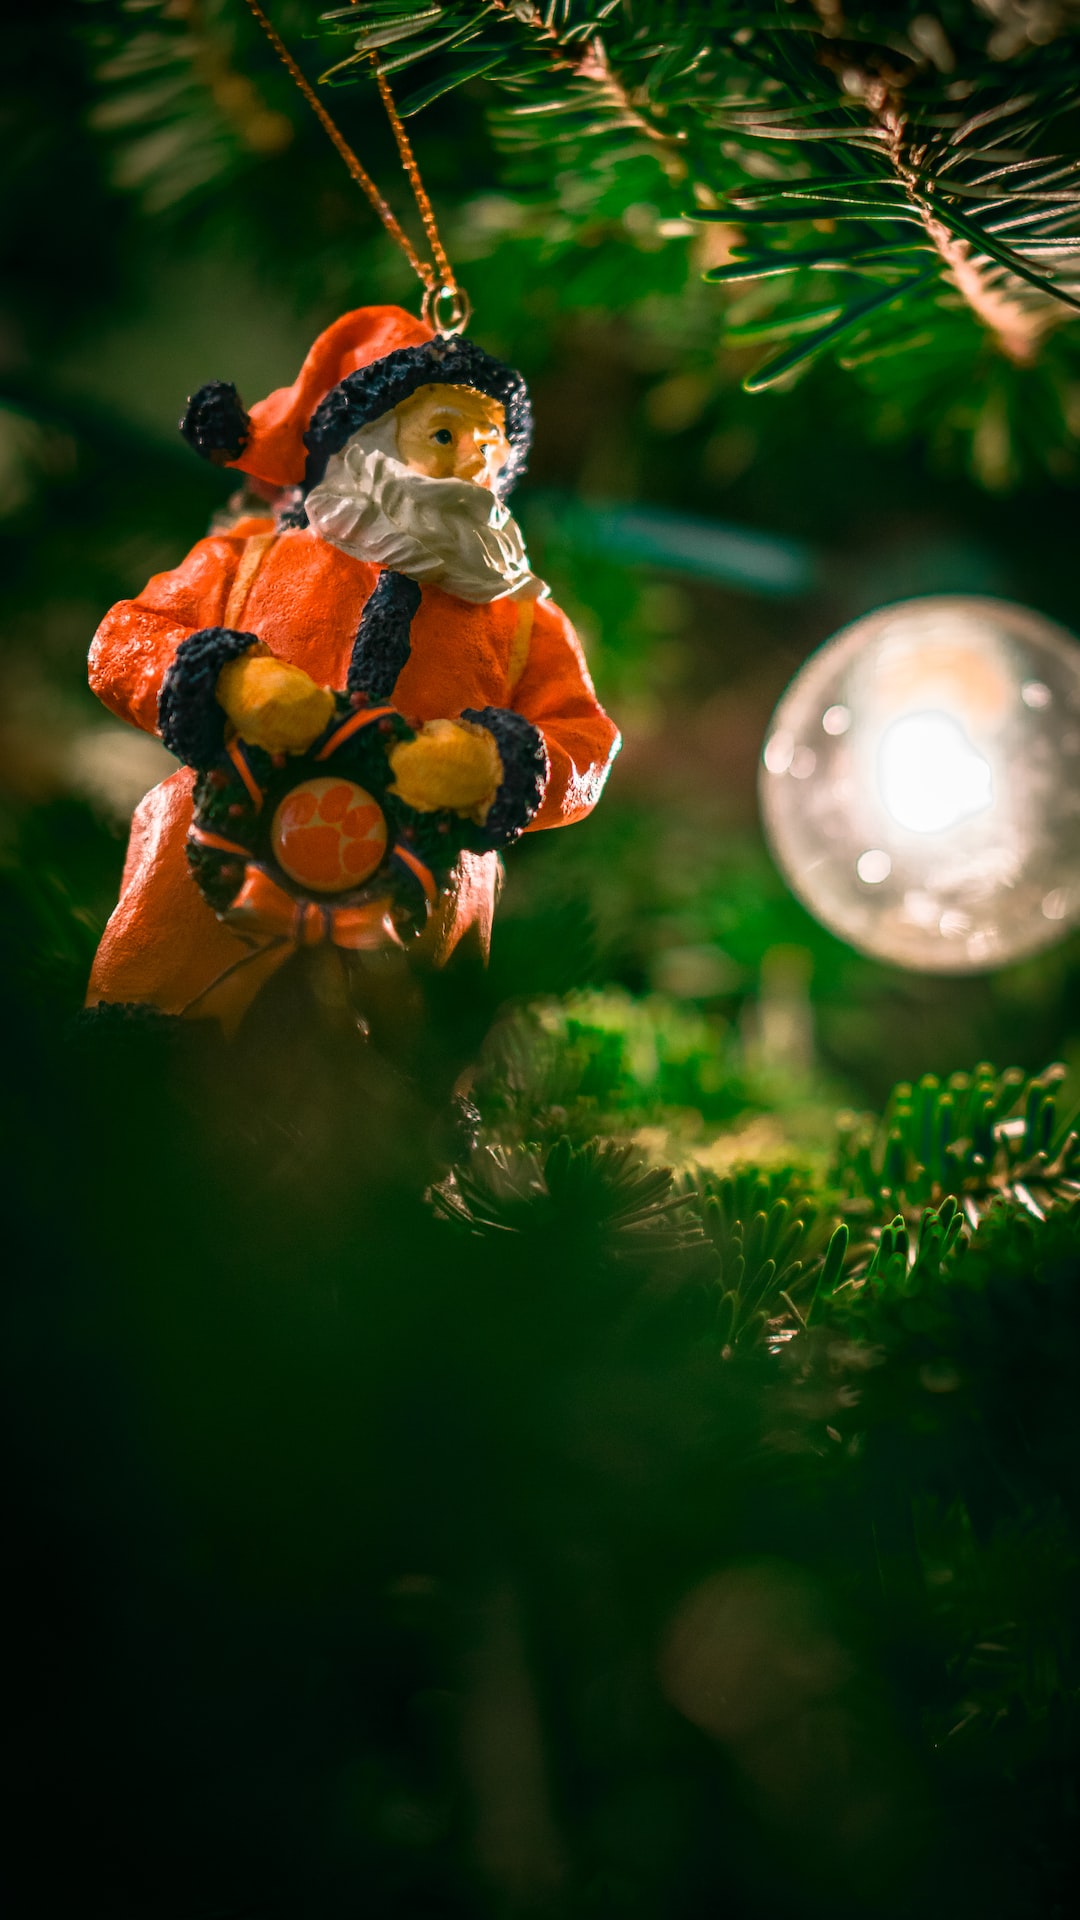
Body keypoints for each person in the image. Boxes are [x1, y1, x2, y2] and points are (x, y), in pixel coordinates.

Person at [86, 305, 620, 1033]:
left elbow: (585, 744)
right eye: (444, 434)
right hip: (209, 878)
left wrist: (498, 764)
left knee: (396, 1089)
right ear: (364, 441)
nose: (473, 466)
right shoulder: (245, 564)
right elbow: (123, 641)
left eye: (492, 453)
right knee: (144, 1054)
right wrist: (227, 680)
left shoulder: (525, 621)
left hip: (419, 901)